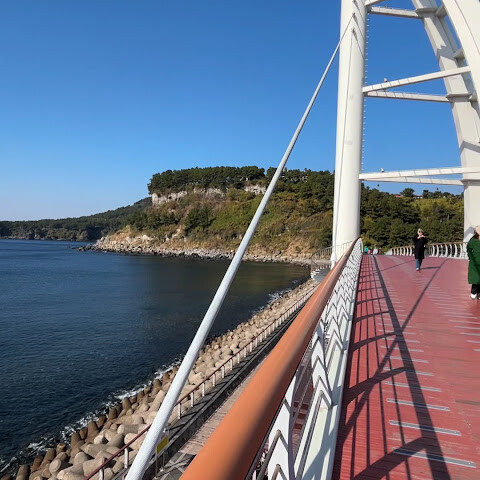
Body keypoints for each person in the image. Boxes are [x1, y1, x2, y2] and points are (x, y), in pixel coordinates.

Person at [467, 225, 480, 299]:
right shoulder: (473, 240)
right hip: (475, 262)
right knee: (475, 278)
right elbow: (468, 249)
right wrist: (470, 257)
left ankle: (479, 293)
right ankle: (474, 292)